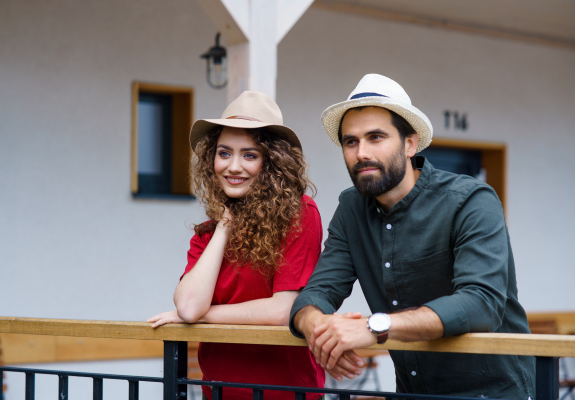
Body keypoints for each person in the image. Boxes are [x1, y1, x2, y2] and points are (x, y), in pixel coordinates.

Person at [290, 74, 535, 399]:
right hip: (414, 392)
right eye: (351, 141)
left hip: (494, 394)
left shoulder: (471, 199)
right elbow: (316, 293)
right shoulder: (351, 209)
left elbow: (481, 303)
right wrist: (320, 332)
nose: (361, 152)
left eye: (375, 137)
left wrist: (371, 327)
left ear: (410, 143)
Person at [148, 91, 325, 400]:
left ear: (272, 163)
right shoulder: (208, 232)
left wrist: (204, 315)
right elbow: (189, 305)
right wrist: (224, 228)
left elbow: (282, 310)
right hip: (217, 393)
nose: (233, 166)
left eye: (250, 155)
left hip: (284, 394)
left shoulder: (300, 214)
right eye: (224, 152)